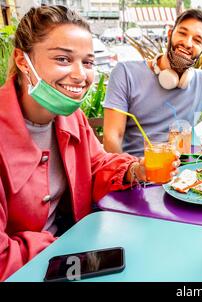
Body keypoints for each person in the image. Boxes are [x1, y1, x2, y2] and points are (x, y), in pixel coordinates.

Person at [0, 5, 155, 281]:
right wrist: (65, 249)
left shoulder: (72, 117)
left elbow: (94, 165)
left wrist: (135, 169)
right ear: (23, 62)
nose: (80, 75)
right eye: (62, 59)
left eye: (88, 62)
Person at [103, 9, 202, 156]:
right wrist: (132, 171)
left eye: (197, 40)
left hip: (181, 175)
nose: (188, 43)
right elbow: (112, 139)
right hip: (135, 175)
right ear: (170, 34)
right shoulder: (125, 72)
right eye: (182, 33)